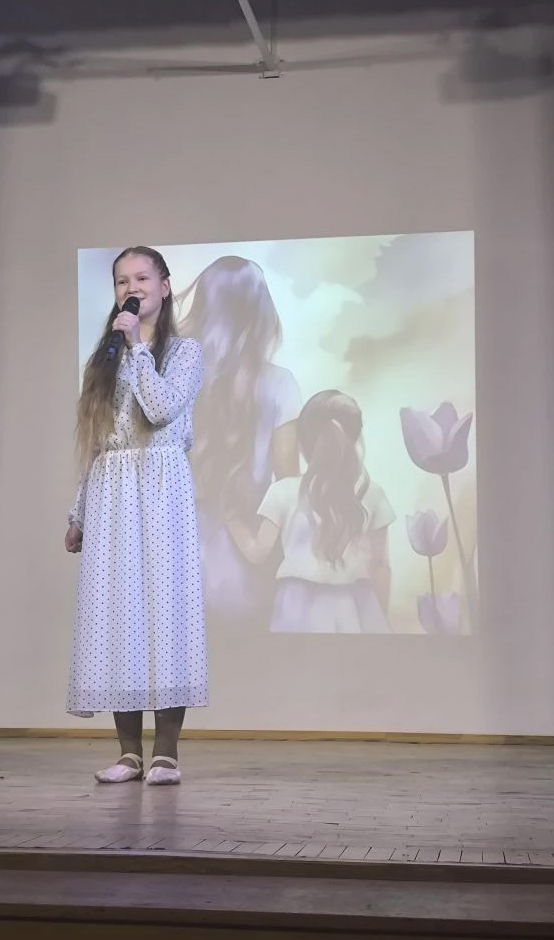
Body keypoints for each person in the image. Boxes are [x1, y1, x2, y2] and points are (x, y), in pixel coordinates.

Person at [65, 246, 206, 785]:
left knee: (166, 614)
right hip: (112, 491)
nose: (133, 287)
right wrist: (79, 512)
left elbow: (162, 408)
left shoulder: (184, 352)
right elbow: (97, 440)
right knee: (115, 616)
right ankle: (128, 753)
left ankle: (165, 753)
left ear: (164, 286)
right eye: (123, 280)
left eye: (142, 277)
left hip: (162, 487)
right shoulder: (105, 358)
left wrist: (138, 348)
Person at [177, 256, 302, 623]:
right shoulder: (281, 385)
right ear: (261, 313)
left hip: (178, 559)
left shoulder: (172, 382)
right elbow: (287, 483)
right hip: (249, 561)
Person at [227, 389, 395, 633]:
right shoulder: (374, 493)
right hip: (359, 606)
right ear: (355, 439)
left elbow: (257, 552)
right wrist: (381, 621)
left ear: (303, 443)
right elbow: (380, 566)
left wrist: (230, 518)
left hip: (296, 607)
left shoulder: (282, 492)